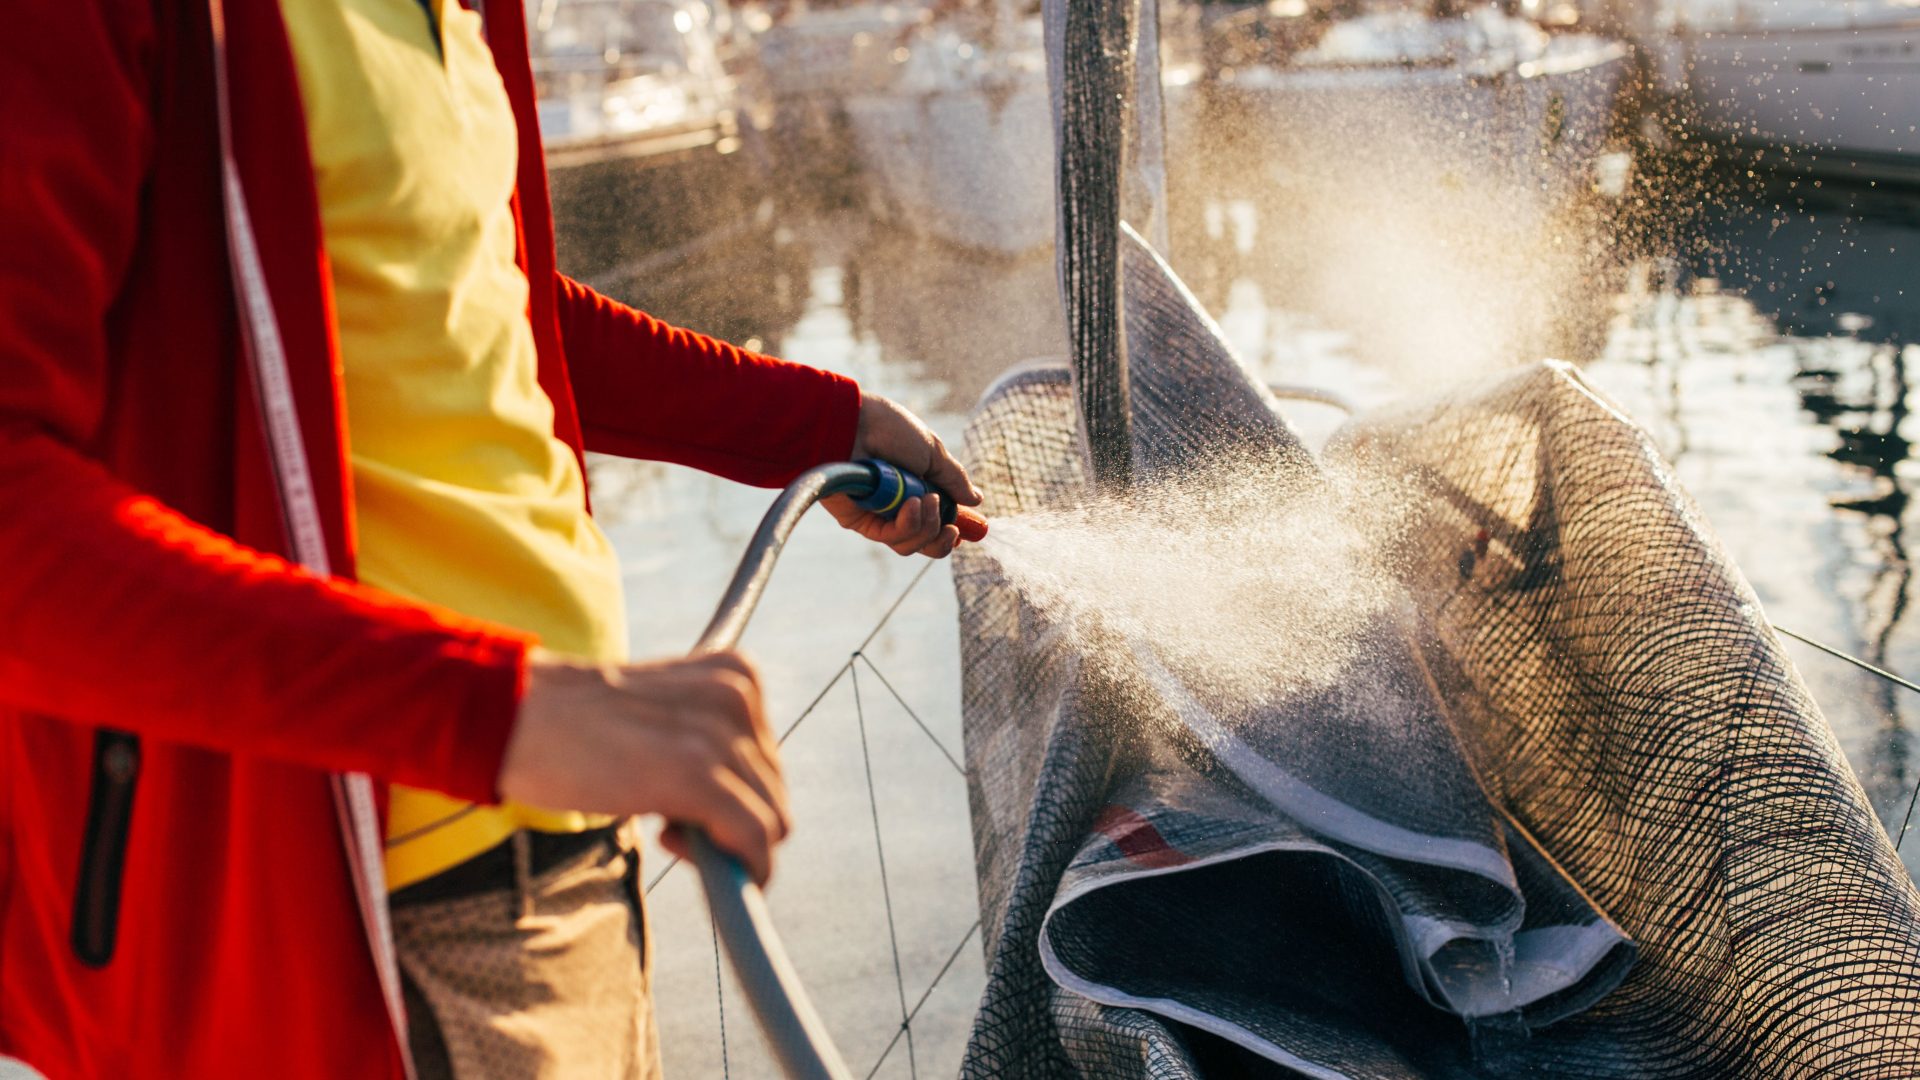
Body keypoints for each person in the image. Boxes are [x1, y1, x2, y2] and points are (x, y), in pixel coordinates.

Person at [0, 1, 980, 1077]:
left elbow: (482, 300)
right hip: (372, 922)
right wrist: (505, 712)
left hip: (559, 845)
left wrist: (821, 423)